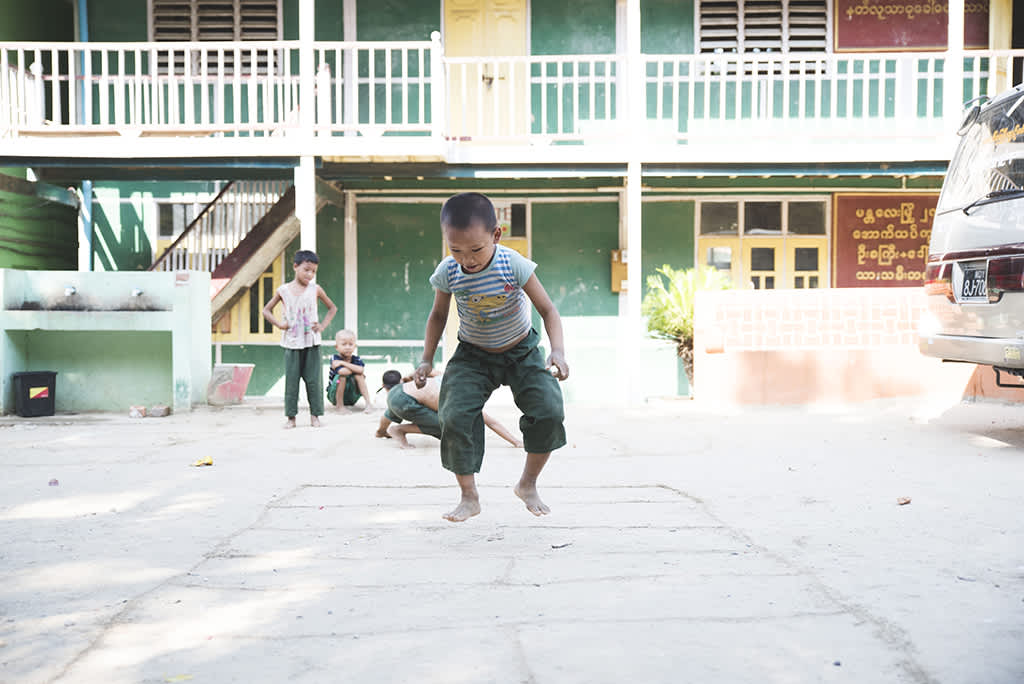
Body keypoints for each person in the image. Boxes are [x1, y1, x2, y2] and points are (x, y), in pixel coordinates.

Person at [415, 192, 569, 523]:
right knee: (454, 415)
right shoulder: (448, 272)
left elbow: (548, 309)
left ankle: (527, 484)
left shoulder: (513, 264)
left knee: (549, 411)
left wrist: (557, 350)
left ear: (496, 235)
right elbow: (437, 316)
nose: (466, 259)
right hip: (472, 354)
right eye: (455, 250)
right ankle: (469, 497)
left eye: (475, 250)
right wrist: (426, 359)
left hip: (522, 350)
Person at [262, 250, 337, 429]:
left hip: (312, 342)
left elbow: (332, 308)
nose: (310, 275)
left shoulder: (315, 289)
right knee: (292, 381)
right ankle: (291, 418)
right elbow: (266, 310)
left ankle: (315, 416)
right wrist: (280, 325)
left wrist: (323, 326)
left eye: (313, 271)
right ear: (295, 267)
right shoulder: (283, 291)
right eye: (306, 270)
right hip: (292, 343)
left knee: (313, 380)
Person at [375, 368, 523, 449]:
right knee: (445, 426)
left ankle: (388, 430)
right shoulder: (456, 399)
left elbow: (388, 414)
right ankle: (399, 430)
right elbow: (490, 422)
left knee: (438, 418)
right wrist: (515, 442)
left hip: (398, 393)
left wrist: (380, 432)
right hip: (404, 402)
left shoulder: (445, 376)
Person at [327, 329, 374, 412]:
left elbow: (361, 370)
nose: (347, 347)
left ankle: (368, 404)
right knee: (342, 376)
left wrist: (343, 363)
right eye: (344, 344)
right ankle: (340, 406)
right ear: (336, 347)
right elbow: (343, 372)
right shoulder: (335, 358)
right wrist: (355, 369)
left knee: (359, 375)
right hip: (334, 396)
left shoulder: (355, 359)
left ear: (355, 346)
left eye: (351, 344)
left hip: (352, 397)